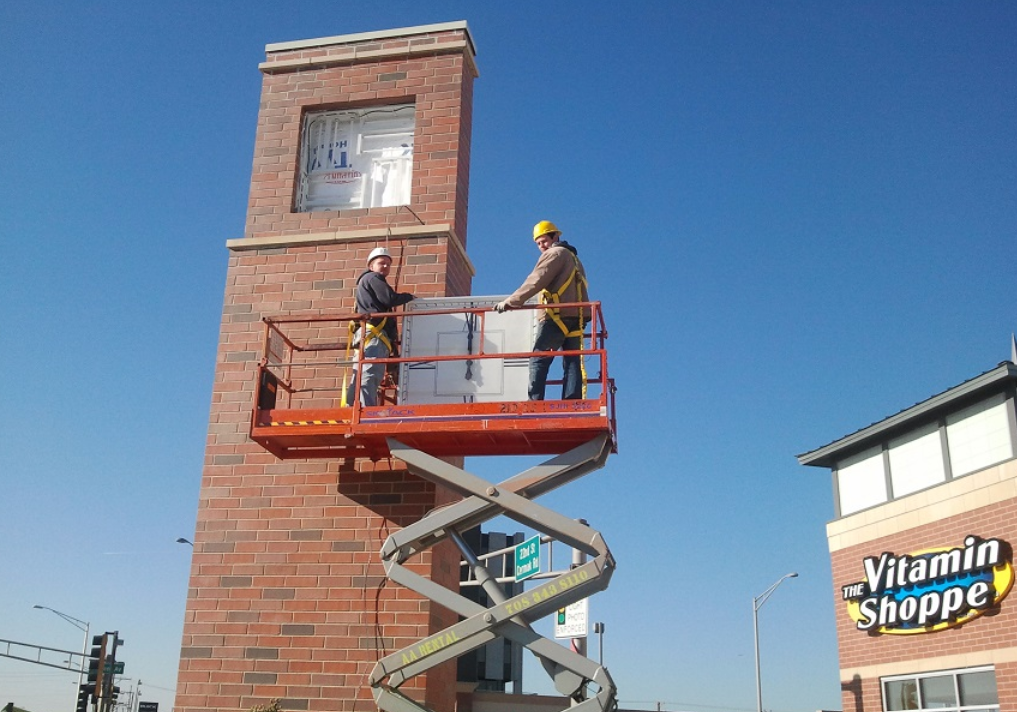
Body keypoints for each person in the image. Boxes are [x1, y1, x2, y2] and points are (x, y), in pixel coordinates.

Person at [495, 220, 589, 400]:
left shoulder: (555, 254)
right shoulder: (574, 259)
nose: (541, 246)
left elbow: (536, 280)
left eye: (544, 241)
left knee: (539, 358)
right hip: (576, 317)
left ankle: (535, 403)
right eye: (538, 243)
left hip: (556, 316)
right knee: (572, 362)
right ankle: (572, 401)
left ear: (556, 236)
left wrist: (511, 301)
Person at [345, 246, 414, 407]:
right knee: (370, 373)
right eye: (381, 263)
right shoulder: (373, 278)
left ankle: (352, 407)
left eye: (388, 264)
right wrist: (409, 297)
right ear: (371, 266)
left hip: (367, 335)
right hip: (373, 335)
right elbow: (389, 298)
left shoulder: (366, 282)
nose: (385, 267)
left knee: (361, 373)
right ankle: (364, 410)